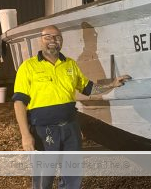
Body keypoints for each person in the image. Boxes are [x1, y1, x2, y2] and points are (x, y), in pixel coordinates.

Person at [12, 25, 131, 189]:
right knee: (43, 178)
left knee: (72, 176)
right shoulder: (28, 67)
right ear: (40, 39)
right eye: (48, 37)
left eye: (57, 37)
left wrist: (112, 84)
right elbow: (19, 102)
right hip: (44, 131)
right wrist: (25, 135)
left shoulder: (70, 65)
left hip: (70, 129)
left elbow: (89, 89)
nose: (53, 41)